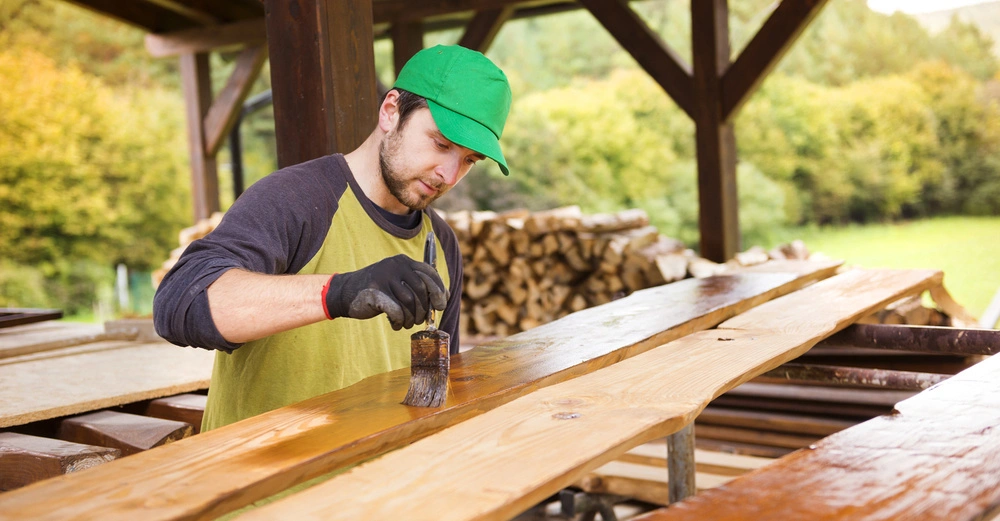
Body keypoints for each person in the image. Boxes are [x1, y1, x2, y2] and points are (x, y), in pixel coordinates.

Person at [153, 45, 512, 431]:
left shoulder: (440, 242)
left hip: (369, 484)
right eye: (441, 144)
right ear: (391, 112)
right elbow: (180, 304)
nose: (449, 173)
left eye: (469, 160)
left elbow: (440, 390)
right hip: (261, 484)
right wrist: (339, 292)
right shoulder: (298, 199)